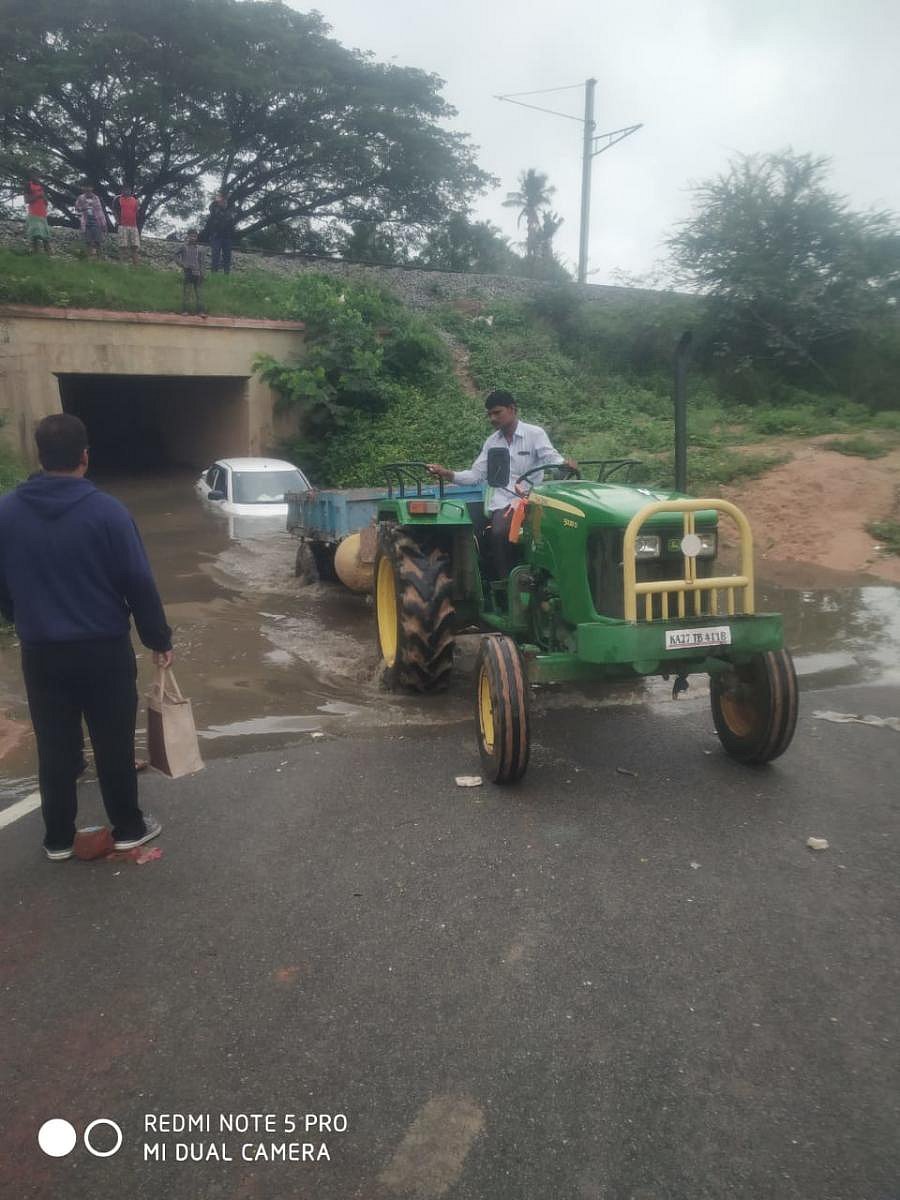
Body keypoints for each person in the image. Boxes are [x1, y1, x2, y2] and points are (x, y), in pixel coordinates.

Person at [0, 414, 173, 860]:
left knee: (55, 746)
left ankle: (58, 839)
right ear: (84, 456)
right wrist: (158, 638)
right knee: (113, 742)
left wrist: (21, 616)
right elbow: (138, 581)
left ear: (38, 456)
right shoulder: (108, 512)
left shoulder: (6, 512)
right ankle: (129, 828)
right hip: (103, 651)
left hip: (41, 652)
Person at [427, 389, 575, 579]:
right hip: (505, 501)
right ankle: (507, 583)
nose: (493, 418)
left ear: (512, 409)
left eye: (497, 412)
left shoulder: (534, 434)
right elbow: (475, 476)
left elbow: (552, 461)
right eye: (489, 414)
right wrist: (447, 473)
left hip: (535, 499)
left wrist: (565, 466)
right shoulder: (491, 443)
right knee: (500, 532)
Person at [175, 230, 206, 315]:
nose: (193, 238)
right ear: (187, 236)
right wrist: (182, 264)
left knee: (199, 293)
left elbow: (202, 262)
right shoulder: (183, 247)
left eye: (194, 236)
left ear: (197, 237)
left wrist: (203, 273)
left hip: (198, 273)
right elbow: (175, 256)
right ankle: (185, 310)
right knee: (187, 292)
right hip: (187, 272)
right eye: (191, 236)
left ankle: (201, 311)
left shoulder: (200, 249)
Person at [74, 183, 106, 258]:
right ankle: (89, 258)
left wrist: (103, 223)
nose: (88, 189)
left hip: (96, 220)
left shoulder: (96, 197)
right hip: (86, 220)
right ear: (84, 188)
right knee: (88, 241)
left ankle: (99, 258)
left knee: (98, 241)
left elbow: (100, 211)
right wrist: (83, 209)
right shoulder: (80, 197)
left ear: (92, 188)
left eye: (89, 187)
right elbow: (76, 208)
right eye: (86, 187)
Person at [207, 193, 235, 274]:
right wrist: (216, 200)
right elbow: (211, 207)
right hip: (216, 237)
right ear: (219, 203)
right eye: (222, 202)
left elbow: (231, 220)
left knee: (227, 257)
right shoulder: (215, 210)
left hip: (227, 237)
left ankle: (226, 274)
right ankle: (214, 274)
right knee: (215, 256)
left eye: (225, 202)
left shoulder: (230, 212)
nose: (224, 203)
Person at [23, 173, 52, 254]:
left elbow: (45, 200)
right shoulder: (28, 185)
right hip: (33, 214)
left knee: (46, 235)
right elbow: (26, 200)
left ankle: (48, 255)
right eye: (35, 175)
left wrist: (45, 200)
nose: (37, 177)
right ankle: (36, 254)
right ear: (31, 176)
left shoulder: (41, 186)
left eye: (38, 176)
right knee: (35, 234)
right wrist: (38, 196)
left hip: (43, 214)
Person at [114, 184, 140, 266]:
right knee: (122, 246)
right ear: (122, 190)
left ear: (130, 191)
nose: (126, 191)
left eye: (128, 189)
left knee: (135, 246)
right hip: (122, 225)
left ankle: (136, 266)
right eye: (124, 189)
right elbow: (114, 210)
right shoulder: (118, 199)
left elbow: (137, 212)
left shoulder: (135, 200)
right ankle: (122, 265)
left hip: (133, 225)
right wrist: (117, 221)